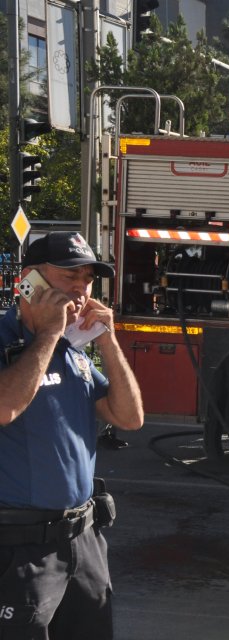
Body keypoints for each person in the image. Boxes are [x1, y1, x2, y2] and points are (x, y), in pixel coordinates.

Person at [0, 231, 144, 639]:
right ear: (29, 280)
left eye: (88, 278)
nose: (82, 288)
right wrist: (46, 333)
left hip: (83, 542)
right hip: (22, 547)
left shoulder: (73, 350)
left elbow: (129, 417)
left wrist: (109, 341)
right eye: (69, 276)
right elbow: (5, 407)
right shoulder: (10, 339)